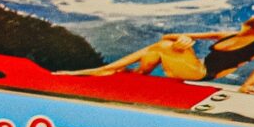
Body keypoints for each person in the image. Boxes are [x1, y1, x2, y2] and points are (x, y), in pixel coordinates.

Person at [183, 9, 254, 94]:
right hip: (197, 67)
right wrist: (182, 40)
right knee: (174, 44)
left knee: (172, 47)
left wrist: (249, 85)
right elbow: (185, 36)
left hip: (206, 74)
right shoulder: (234, 35)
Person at [75, 33, 207, 80]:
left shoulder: (221, 35)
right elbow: (166, 37)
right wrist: (184, 38)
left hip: (202, 73)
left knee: (162, 46)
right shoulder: (218, 35)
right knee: (159, 48)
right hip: (197, 67)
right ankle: (137, 73)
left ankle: (106, 69)